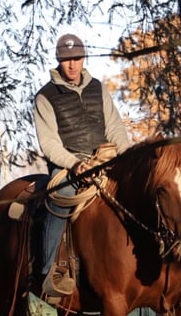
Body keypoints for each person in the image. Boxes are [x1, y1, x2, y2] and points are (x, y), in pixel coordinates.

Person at [34, 33, 130, 297]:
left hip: (103, 161)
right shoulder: (45, 97)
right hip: (68, 167)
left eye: (77, 58)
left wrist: (126, 158)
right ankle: (49, 271)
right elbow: (49, 143)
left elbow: (115, 128)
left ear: (84, 58)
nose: (72, 64)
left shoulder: (98, 89)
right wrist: (75, 164)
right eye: (67, 59)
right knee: (61, 197)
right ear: (59, 60)